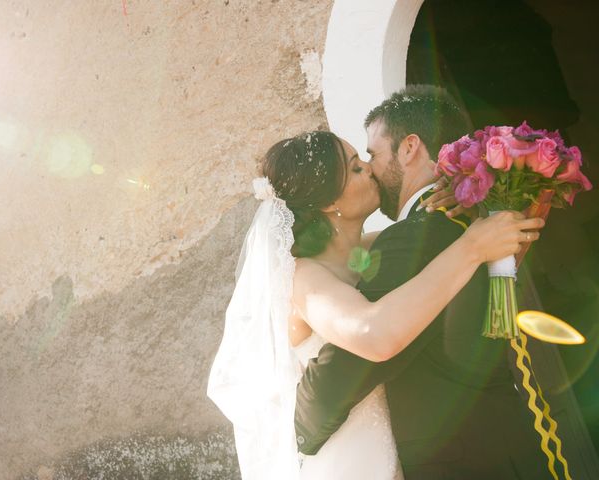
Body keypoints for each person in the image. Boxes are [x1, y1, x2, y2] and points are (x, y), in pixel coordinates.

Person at [207, 127, 543, 480]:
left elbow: (434, 244)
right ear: (328, 203)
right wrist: (471, 248)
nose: (369, 168)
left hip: (398, 448)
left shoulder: (372, 249)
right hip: (349, 458)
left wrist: (465, 202)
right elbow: (374, 334)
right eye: (354, 167)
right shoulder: (302, 277)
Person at [294, 85, 555, 479]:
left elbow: (338, 380)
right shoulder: (471, 219)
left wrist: (301, 432)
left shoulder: (420, 237)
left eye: (371, 155)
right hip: (512, 448)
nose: (370, 170)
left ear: (409, 147)